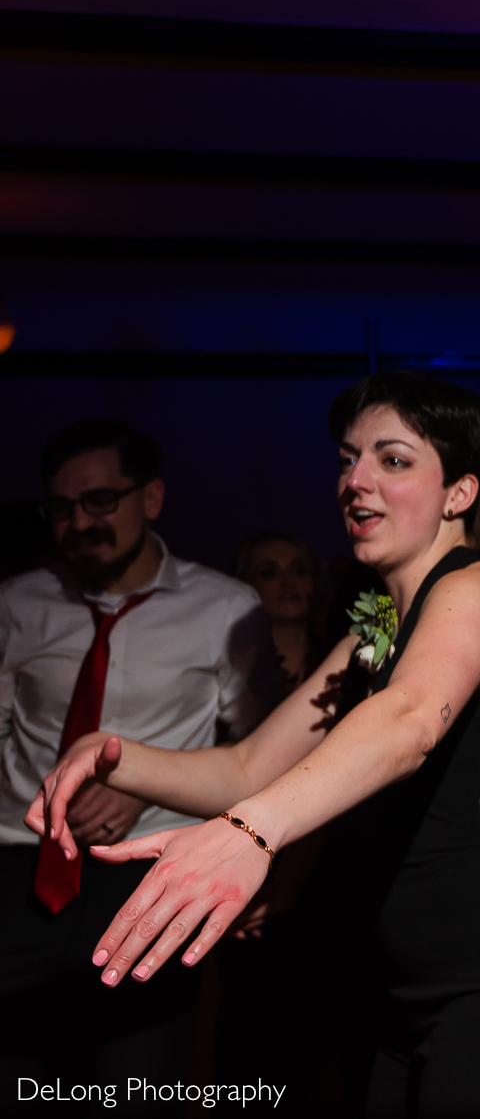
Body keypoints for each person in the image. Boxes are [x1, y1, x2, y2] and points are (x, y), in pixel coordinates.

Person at [28, 374, 480, 1117]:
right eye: (348, 459)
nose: (354, 481)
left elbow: (411, 720)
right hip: (393, 997)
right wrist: (116, 755)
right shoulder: (374, 628)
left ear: (460, 492)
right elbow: (249, 766)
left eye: (392, 461)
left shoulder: (477, 587)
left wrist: (250, 833)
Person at [0, 418, 279, 1092]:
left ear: (150, 498)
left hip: (148, 881)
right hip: (16, 873)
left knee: (137, 1086)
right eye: (63, 508)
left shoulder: (226, 608)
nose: (81, 523)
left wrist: (150, 785)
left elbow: (261, 754)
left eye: (101, 501)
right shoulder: (17, 602)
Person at [233, 531, 328, 691]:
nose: (289, 581)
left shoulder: (341, 657)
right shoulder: (232, 667)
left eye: (300, 570)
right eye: (269, 573)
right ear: (244, 584)